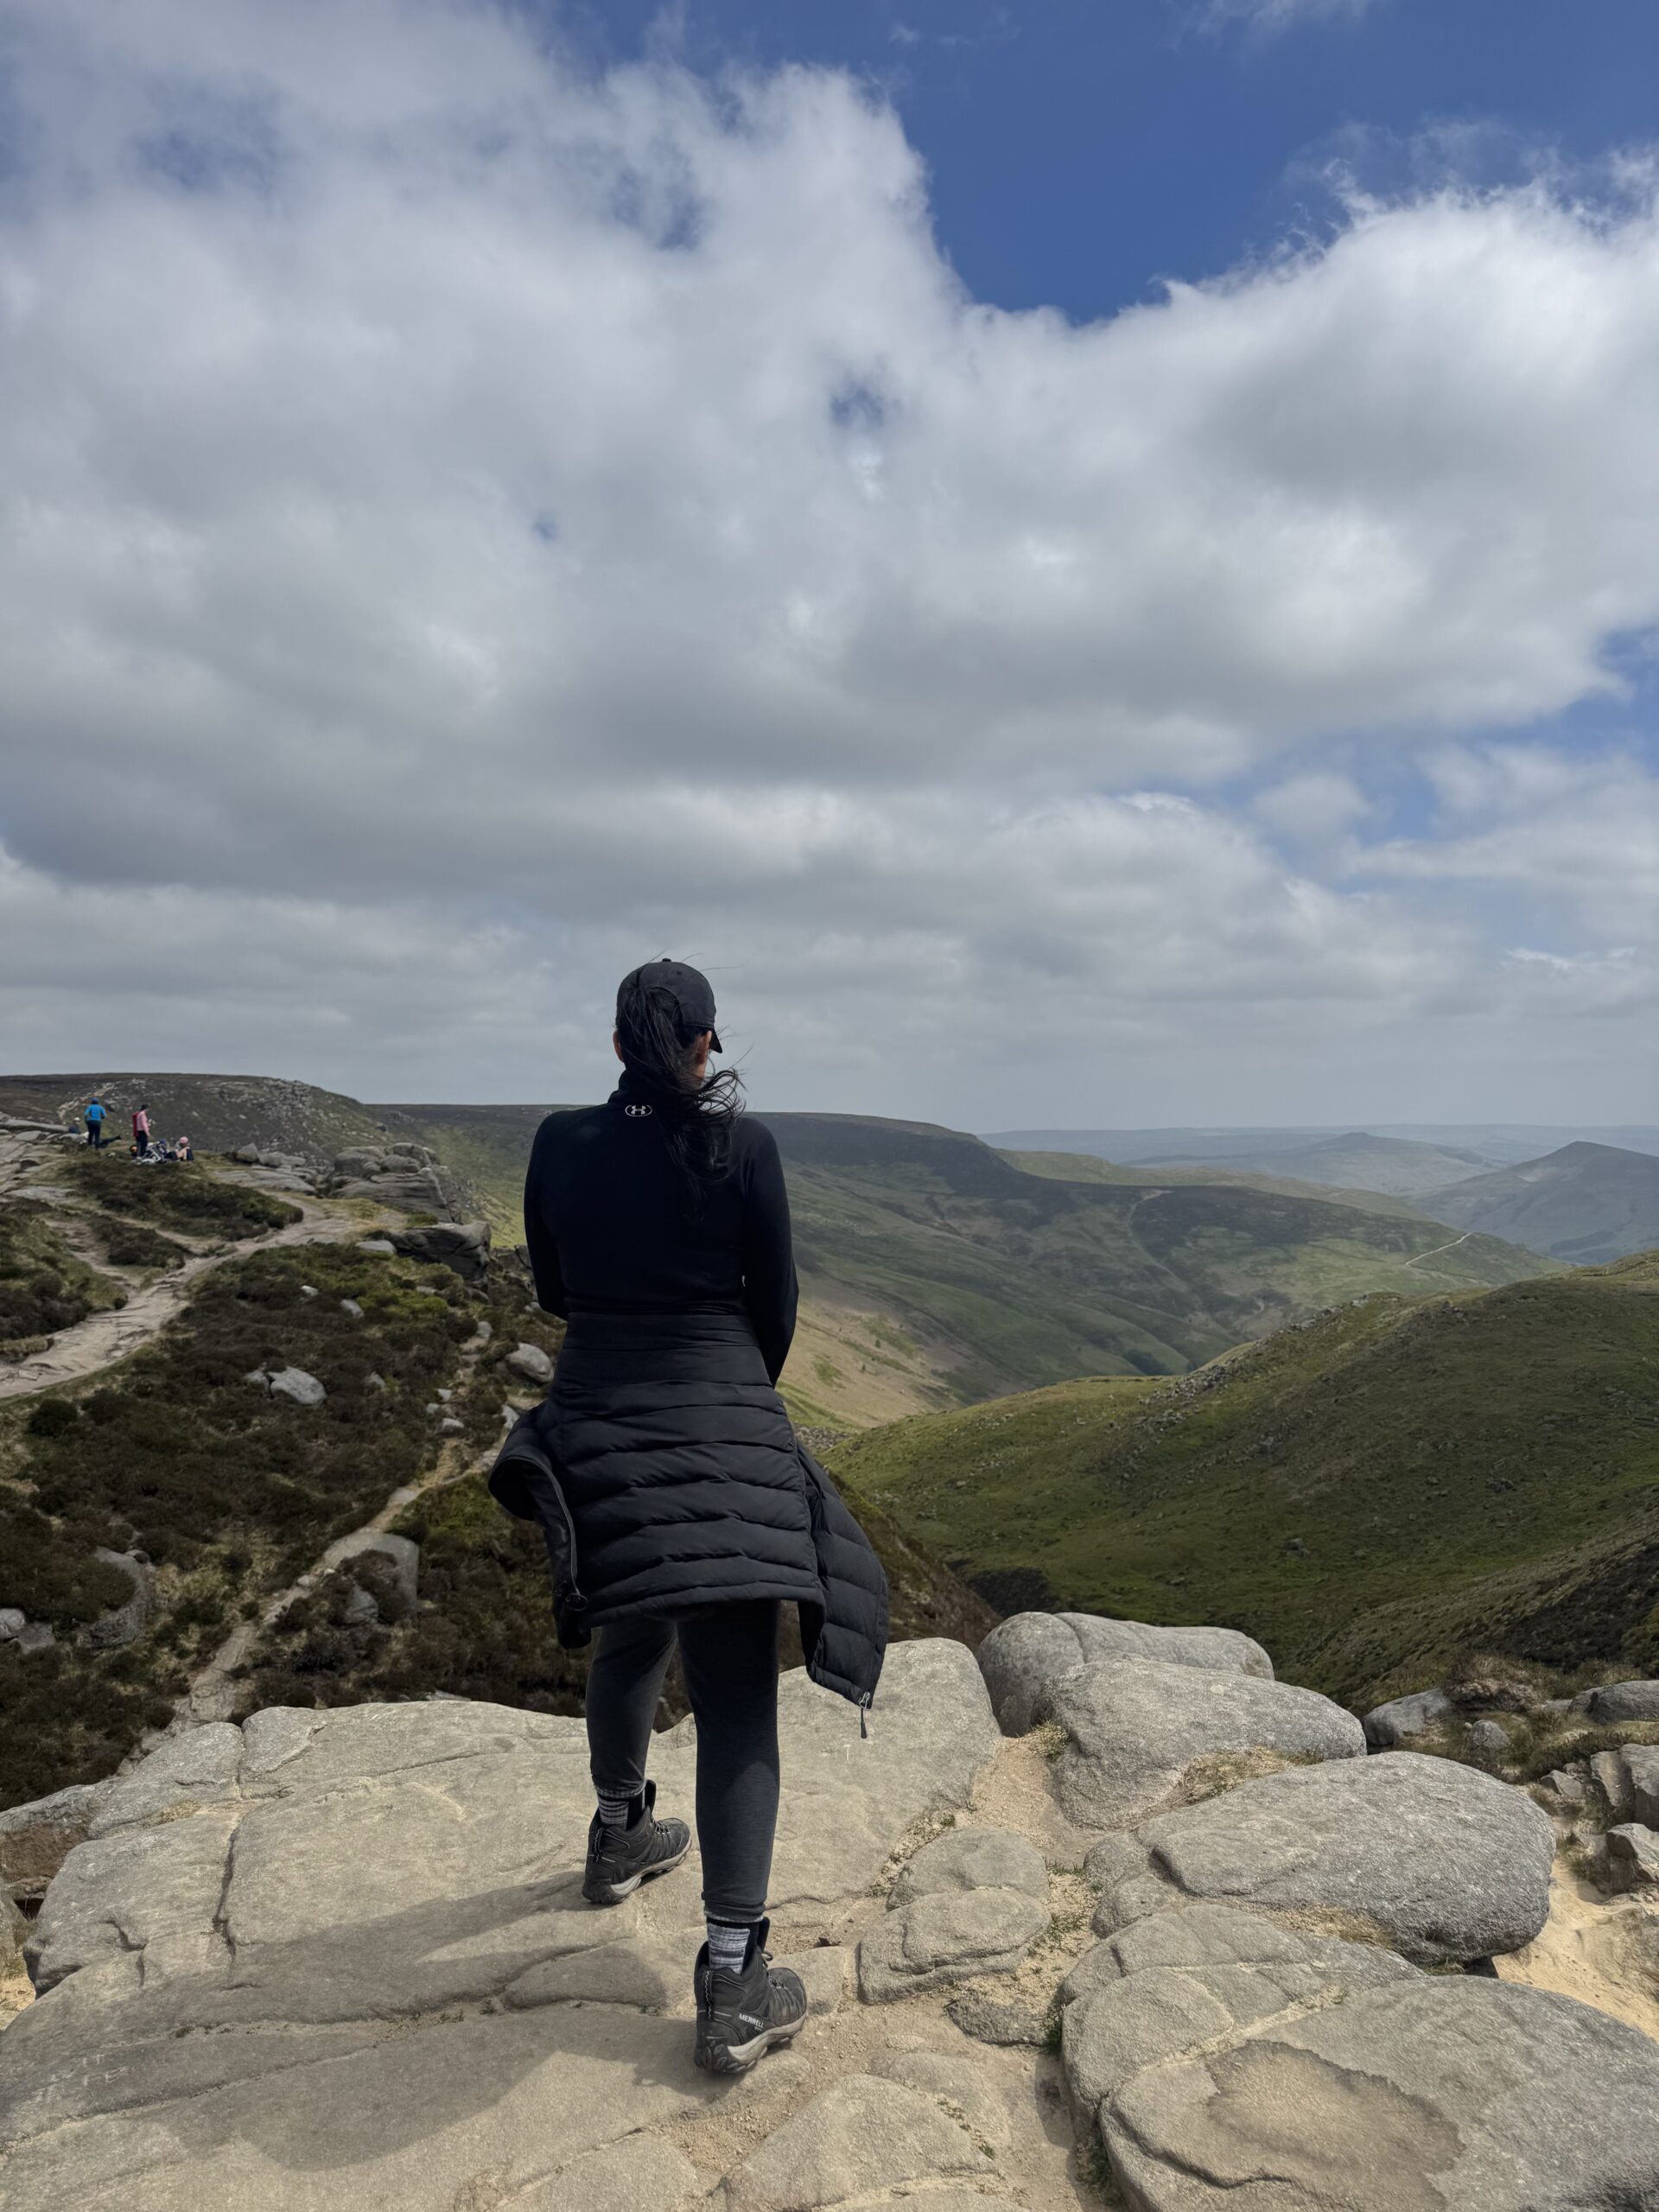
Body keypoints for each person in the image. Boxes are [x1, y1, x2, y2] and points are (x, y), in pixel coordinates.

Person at [490, 960, 887, 2075]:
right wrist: (732, 1397)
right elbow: (777, 1305)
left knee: (630, 1635)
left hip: (599, 1417)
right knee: (737, 1697)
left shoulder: (559, 1142)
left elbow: (554, 1290)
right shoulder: (743, 1148)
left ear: (618, 1045)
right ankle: (734, 1977)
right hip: (725, 1413)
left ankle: (620, 1833)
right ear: (705, 1044)